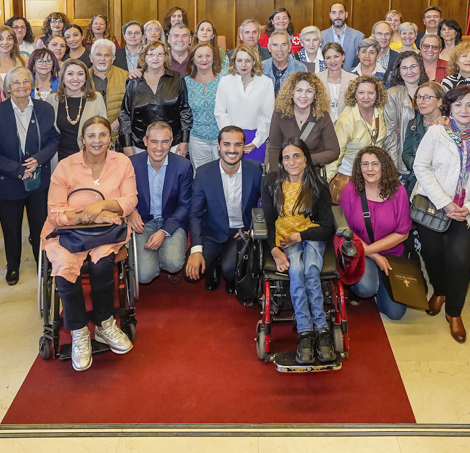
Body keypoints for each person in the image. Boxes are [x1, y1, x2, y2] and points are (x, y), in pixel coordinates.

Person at [43, 116, 136, 372]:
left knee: (102, 265)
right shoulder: (65, 166)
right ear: (82, 139)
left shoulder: (122, 163)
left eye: (102, 135)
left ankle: (105, 324)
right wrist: (89, 215)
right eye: (91, 135)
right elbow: (55, 212)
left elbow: (129, 201)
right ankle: (79, 331)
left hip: (106, 233)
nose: (97, 141)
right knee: (64, 267)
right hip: (67, 231)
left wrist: (101, 206)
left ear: (110, 138)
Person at [410, 84, 470, 343]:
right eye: (458, 104)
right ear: (449, 107)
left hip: (465, 212)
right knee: (432, 254)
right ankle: (440, 291)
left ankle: (454, 312)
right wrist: (445, 202)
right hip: (434, 206)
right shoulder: (436, 132)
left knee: (459, 262)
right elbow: (421, 167)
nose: (464, 109)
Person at [262, 139, 338, 365]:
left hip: (311, 236)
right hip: (285, 240)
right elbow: (267, 222)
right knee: (296, 270)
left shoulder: (318, 186)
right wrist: (274, 251)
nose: (292, 162)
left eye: (297, 156)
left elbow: (326, 227)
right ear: (281, 162)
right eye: (286, 157)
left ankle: (322, 329)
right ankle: (305, 332)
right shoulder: (271, 183)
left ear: (306, 159)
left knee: (311, 270)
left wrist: (300, 236)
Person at [0, 67, 59, 287]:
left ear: (32, 85)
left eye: (26, 81)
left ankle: (42, 263)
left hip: (38, 181)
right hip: (8, 182)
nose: (22, 86)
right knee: (11, 228)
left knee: (40, 226)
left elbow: (54, 139)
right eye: (16, 82)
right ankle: (13, 265)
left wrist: (39, 159)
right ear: (8, 87)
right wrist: (17, 169)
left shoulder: (45, 109)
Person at [185, 126, 263, 291]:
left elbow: (266, 206)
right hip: (212, 232)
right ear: (218, 146)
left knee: (230, 271)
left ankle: (225, 265)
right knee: (190, 274)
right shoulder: (203, 173)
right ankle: (214, 263)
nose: (232, 150)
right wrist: (196, 249)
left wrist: (253, 231)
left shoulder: (256, 170)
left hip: (241, 232)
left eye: (237, 145)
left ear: (244, 147)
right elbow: (195, 214)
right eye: (227, 144)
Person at [340, 147, 411, 321]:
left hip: (392, 253)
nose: (369, 169)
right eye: (365, 164)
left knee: (396, 314)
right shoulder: (350, 190)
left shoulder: (398, 192)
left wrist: (372, 251)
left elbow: (403, 233)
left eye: (374, 164)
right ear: (359, 167)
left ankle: (380, 283)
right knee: (366, 289)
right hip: (361, 251)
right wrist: (374, 255)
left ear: (383, 166)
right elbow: (345, 229)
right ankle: (367, 283)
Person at [128, 122, 194, 284]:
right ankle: (152, 260)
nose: (159, 147)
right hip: (143, 222)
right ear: (145, 141)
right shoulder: (131, 164)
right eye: (154, 141)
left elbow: (185, 205)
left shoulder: (183, 166)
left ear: (171, 142)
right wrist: (131, 211)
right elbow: (122, 195)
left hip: (171, 220)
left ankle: (167, 258)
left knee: (174, 264)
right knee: (144, 276)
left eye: (164, 142)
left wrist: (164, 231)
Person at [119, 40, 192, 156]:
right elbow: (125, 114)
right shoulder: (134, 81)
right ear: (144, 57)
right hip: (140, 144)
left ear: (165, 57)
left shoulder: (177, 78)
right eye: (151, 54)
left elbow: (185, 111)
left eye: (159, 54)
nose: (155, 58)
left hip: (173, 143)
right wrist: (127, 144)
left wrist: (184, 141)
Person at [214, 43, 274, 163]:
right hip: (230, 137)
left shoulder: (265, 82)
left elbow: (268, 116)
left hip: (255, 139)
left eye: (248, 60)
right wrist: (230, 138)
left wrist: (256, 142)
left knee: (254, 173)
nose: (243, 65)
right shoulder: (225, 81)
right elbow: (220, 112)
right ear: (234, 62)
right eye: (239, 60)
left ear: (254, 62)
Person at [266, 72, 339, 170]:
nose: (303, 95)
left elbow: (333, 151)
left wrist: (304, 159)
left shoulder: (322, 116)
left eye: (309, 91)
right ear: (291, 92)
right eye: (299, 90)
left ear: (315, 95)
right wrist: (275, 175)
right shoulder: (279, 113)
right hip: (286, 171)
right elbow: (274, 148)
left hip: (311, 172)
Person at [329, 75, 387, 193]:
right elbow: (336, 152)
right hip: (350, 175)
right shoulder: (346, 120)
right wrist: (328, 177)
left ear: (377, 94)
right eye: (361, 92)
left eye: (370, 92)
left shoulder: (380, 111)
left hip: (375, 173)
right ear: (354, 94)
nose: (366, 97)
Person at [49, 59, 107, 162]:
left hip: (89, 159)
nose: (75, 78)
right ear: (62, 77)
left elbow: (103, 131)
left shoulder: (96, 98)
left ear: (86, 77)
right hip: (60, 159)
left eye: (80, 74)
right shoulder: (52, 99)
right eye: (70, 74)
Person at [382, 51, 427, 183]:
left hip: (430, 157)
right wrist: (393, 167)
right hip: (404, 161)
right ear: (399, 71)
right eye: (404, 68)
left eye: (413, 66)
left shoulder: (433, 90)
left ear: (420, 67)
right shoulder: (392, 94)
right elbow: (390, 134)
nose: (409, 72)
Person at [402, 81, 447, 192]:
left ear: (439, 101)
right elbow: (406, 154)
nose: (420, 101)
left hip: (443, 183)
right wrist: (421, 168)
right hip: (418, 182)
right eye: (418, 97)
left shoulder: (449, 124)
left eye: (427, 97)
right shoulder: (413, 124)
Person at [185, 42, 222, 169]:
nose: (204, 60)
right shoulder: (187, 82)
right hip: (197, 139)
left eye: (208, 56)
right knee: (201, 174)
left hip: (221, 137)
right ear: (193, 60)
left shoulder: (225, 78)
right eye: (199, 56)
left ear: (213, 58)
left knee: (222, 174)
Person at [89, 39, 128, 137]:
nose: (102, 59)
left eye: (107, 55)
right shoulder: (82, 78)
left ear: (113, 59)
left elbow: (130, 107)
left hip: (117, 135)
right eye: (98, 55)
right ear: (91, 58)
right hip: (89, 134)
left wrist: (112, 127)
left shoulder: (125, 76)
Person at [321, 2, 364, 72]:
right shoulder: (321, 36)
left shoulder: (358, 37)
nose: (337, 16)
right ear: (330, 15)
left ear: (346, 14)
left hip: (351, 77)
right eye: (334, 13)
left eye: (341, 12)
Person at [321, 42, 357, 122]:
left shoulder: (353, 80)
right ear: (324, 59)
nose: (332, 61)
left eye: (336, 56)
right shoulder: (316, 79)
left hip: (347, 125)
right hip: (322, 126)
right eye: (328, 58)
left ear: (343, 56)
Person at [263, 30, 307, 95]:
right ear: (269, 48)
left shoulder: (300, 69)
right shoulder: (261, 68)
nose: (279, 49)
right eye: (275, 45)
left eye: (284, 45)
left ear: (289, 47)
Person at [0, 24, 26, 90]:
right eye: (0, 39)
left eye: (9, 38)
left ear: (14, 42)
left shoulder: (23, 59)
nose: (5, 42)